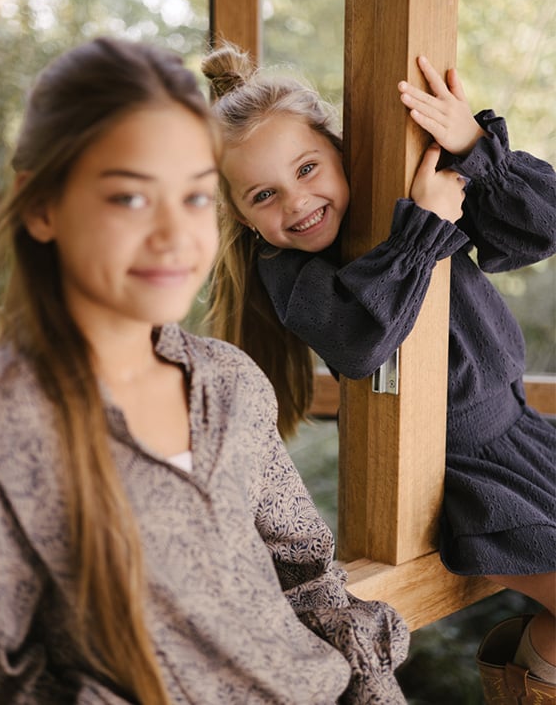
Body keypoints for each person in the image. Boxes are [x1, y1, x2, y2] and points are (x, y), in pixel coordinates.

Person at [0, 37, 410, 704]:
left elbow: (309, 578)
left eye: (197, 199)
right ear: (41, 206)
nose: (174, 235)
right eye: (131, 199)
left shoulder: (228, 382)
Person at [202, 42, 556, 695]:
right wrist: (422, 227)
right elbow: (360, 339)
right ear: (242, 217)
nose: (297, 201)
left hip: (526, 434)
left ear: (338, 150)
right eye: (263, 194)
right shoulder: (296, 272)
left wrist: (476, 148)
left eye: (308, 167)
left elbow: (543, 224)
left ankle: (533, 663)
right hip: (468, 468)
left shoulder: (404, 199)